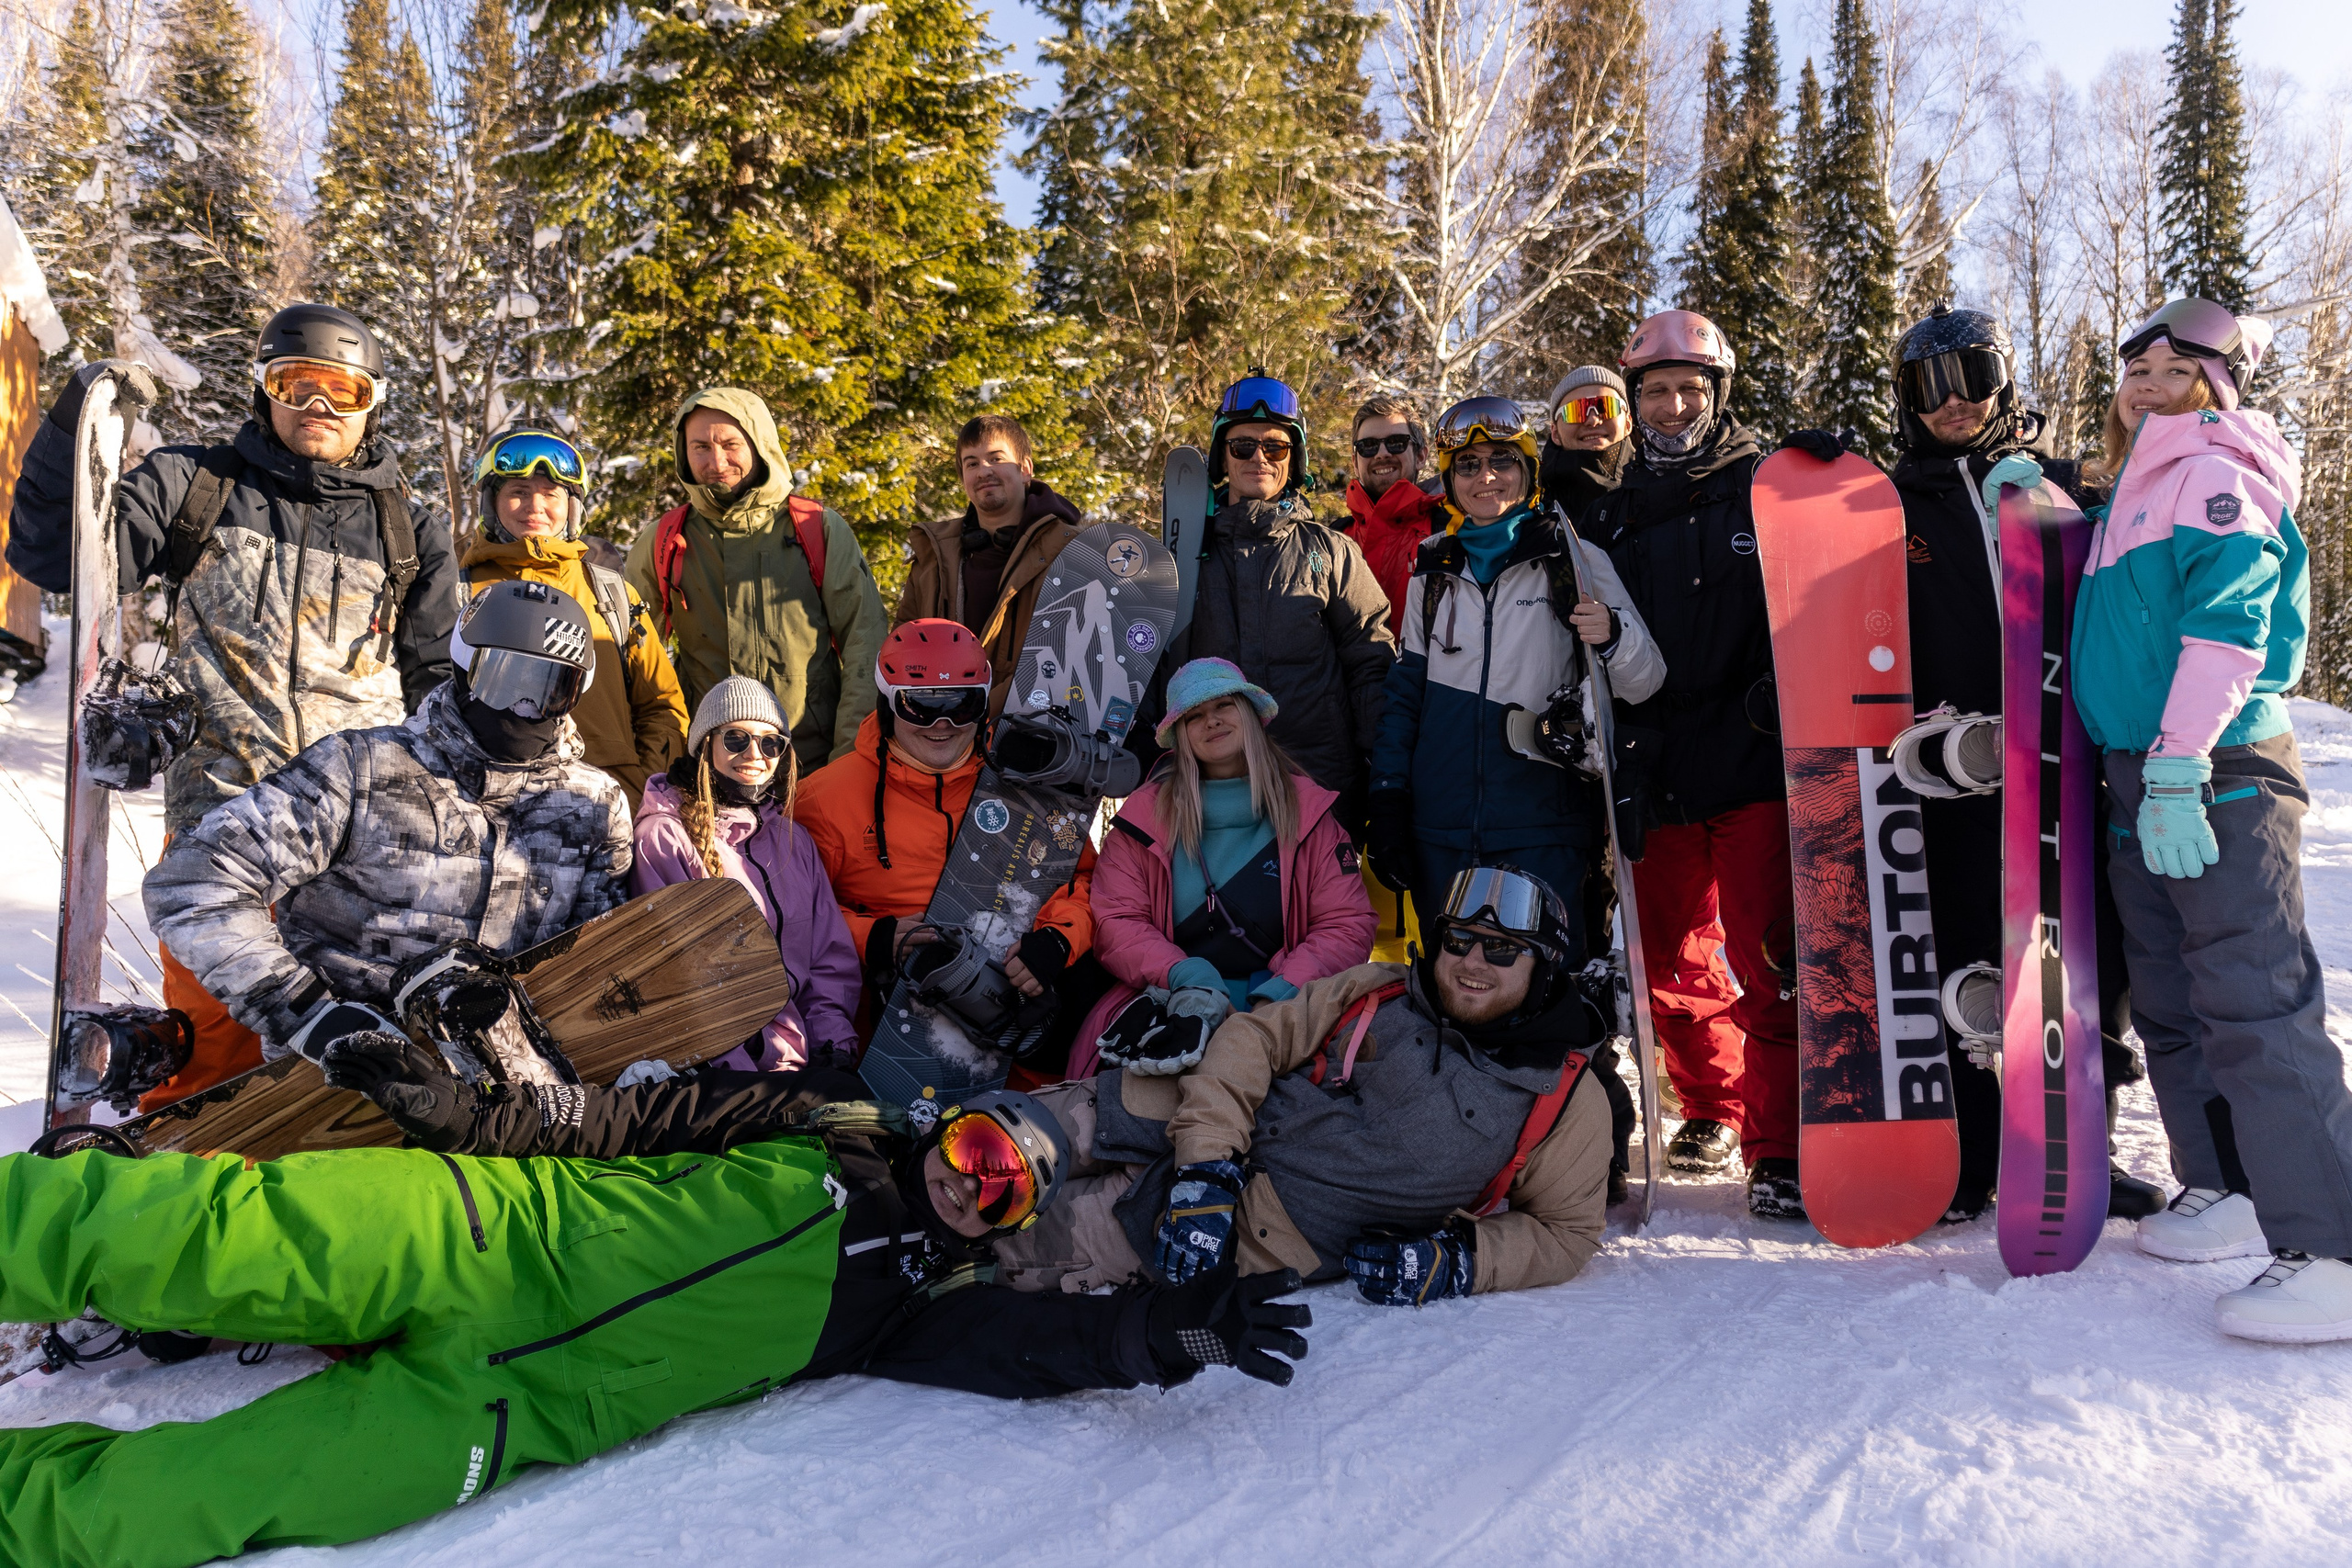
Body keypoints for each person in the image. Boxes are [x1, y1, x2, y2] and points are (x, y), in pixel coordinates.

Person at [0, 1062, 1311, 1567]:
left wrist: (1156, 1336)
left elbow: (1037, 1349)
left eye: (1004, 1191)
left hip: (507, 1410)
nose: (974, 1185)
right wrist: (474, 1118)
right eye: (977, 1148)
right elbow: (624, 1118)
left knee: (222, 1496)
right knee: (195, 1230)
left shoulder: (914, 1311)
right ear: (946, 1124)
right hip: (483, 1230)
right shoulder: (824, 1114)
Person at [5, 304, 460, 1108]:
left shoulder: (409, 529)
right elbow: (52, 555)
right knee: (214, 1065)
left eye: (344, 392)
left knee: (347, 1076)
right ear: (263, 390)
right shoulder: (198, 485)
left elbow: (440, 694)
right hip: (219, 833)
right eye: (296, 384)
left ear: (373, 404)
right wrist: (76, 420)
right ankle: (191, 1178)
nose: (319, 407)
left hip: (352, 850)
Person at [2067, 298, 2352, 1343]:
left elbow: (2230, 631)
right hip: (2140, 774)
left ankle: (2333, 1247)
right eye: (2135, 370)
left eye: (2173, 370)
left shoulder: (2216, 475)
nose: (2146, 385)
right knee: (2174, 998)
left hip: (2215, 767)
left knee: (2255, 1002)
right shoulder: (2135, 489)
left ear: (2216, 387)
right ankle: (2224, 1185)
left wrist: (2182, 760)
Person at [989, 863, 1611, 1300]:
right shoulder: (1381, 988)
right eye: (1461, 940)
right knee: (976, 1148)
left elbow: (1566, 1232)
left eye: (1501, 949)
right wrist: (1207, 1166)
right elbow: (1254, 1036)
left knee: (980, 1233)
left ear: (1544, 966)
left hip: (1237, 1232)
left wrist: (1458, 1261)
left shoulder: (1563, 1094)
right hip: (1162, 1116)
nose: (1473, 962)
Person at [1883, 304, 2164, 1224]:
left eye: (1974, 376)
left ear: (2005, 381)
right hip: (1953, 766)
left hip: (2066, 754)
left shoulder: (2064, 485)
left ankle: (2080, 1142)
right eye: (1930, 385)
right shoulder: (1889, 506)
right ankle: (1967, 1155)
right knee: (1965, 945)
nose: (1954, 400)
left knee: (2085, 948)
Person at [141, 580, 629, 1066]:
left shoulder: (592, 806)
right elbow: (195, 881)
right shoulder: (361, 771)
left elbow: (596, 957)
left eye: (550, 691)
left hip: (511, 1083)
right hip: (345, 1076)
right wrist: (303, 1012)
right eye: (506, 683)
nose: (525, 709)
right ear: (465, 670)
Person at [1579, 309, 1804, 1219]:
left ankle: (1779, 1146)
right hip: (1656, 764)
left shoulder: (1764, 487)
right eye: (1656, 392)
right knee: (1671, 962)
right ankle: (1712, 1107)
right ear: (1634, 402)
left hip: (1749, 761)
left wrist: (1824, 484)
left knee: (1768, 958)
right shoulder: (1609, 510)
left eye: (1689, 390)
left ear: (1718, 395)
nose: (1673, 407)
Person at [1367, 394, 1663, 964]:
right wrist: (1388, 800)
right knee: (1452, 986)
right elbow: (1405, 698)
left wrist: (1612, 633)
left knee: (1542, 983)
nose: (1486, 478)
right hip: (1441, 828)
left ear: (1527, 470)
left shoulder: (1573, 557)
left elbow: (1645, 681)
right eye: (1468, 465)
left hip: (1543, 826)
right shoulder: (1433, 566)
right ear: (1450, 481)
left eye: (1502, 461)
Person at [793, 619, 1100, 1065]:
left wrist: (1057, 940)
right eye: (919, 706)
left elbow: (1086, 879)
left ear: (984, 705)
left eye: (962, 704)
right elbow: (790, 911)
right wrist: (872, 938)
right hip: (892, 1023)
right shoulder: (824, 799)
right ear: (887, 703)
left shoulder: (1025, 783)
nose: (943, 724)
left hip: (1020, 1016)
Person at [1072, 658, 1375, 1079]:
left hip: (1290, 1002)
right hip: (1170, 998)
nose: (1211, 721)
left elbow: (1346, 923)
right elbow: (1117, 921)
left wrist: (1279, 996)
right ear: (1179, 734)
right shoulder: (1140, 820)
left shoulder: (1310, 813)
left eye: (1224, 705)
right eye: (1194, 715)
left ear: (1250, 713)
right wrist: (1187, 976)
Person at [1152, 369, 1395, 821]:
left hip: (1320, 785)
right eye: (1242, 446)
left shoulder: (1332, 552)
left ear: (1293, 458)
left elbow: (1371, 661)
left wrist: (1381, 769)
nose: (1259, 458)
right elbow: (1154, 665)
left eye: (1275, 447)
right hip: (1213, 789)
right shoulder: (1180, 557)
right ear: (1222, 457)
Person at [624, 387, 888, 772]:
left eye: (731, 444)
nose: (717, 461)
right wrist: (657, 762)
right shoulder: (665, 540)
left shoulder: (817, 529)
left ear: (759, 443)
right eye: (700, 447)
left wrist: (848, 760)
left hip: (810, 766)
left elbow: (865, 645)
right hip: (708, 769)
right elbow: (632, 660)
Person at [630, 675, 862, 1072]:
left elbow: (828, 958)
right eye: (736, 739)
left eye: (771, 743)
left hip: (804, 1063)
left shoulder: (793, 841)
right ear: (705, 744)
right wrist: (741, 1073)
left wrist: (832, 1047)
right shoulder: (665, 839)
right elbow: (675, 984)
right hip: (722, 1071)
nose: (755, 754)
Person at [462, 425, 688, 811]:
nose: (535, 506)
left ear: (572, 507)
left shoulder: (612, 595)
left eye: (551, 494)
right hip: (490, 808)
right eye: (518, 492)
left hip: (607, 807)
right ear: (491, 502)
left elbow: (662, 705)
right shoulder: (460, 589)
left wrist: (641, 789)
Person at [893, 413, 1087, 718]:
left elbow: (1073, 655)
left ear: (1025, 469)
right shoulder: (933, 556)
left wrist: (979, 716)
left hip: (1033, 728)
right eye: (971, 463)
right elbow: (902, 648)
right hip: (941, 727)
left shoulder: (1071, 551)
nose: (984, 471)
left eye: (996, 458)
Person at [1340, 394, 1445, 637]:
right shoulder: (1334, 539)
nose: (1382, 454)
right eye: (1368, 446)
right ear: (1355, 462)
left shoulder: (1451, 533)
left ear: (1421, 456)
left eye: (1396, 442)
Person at [1537, 365, 1634, 519]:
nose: (1593, 420)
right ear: (1555, 433)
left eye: (1606, 407)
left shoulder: (1658, 490)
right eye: (1576, 411)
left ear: (1628, 423)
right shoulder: (1532, 504)